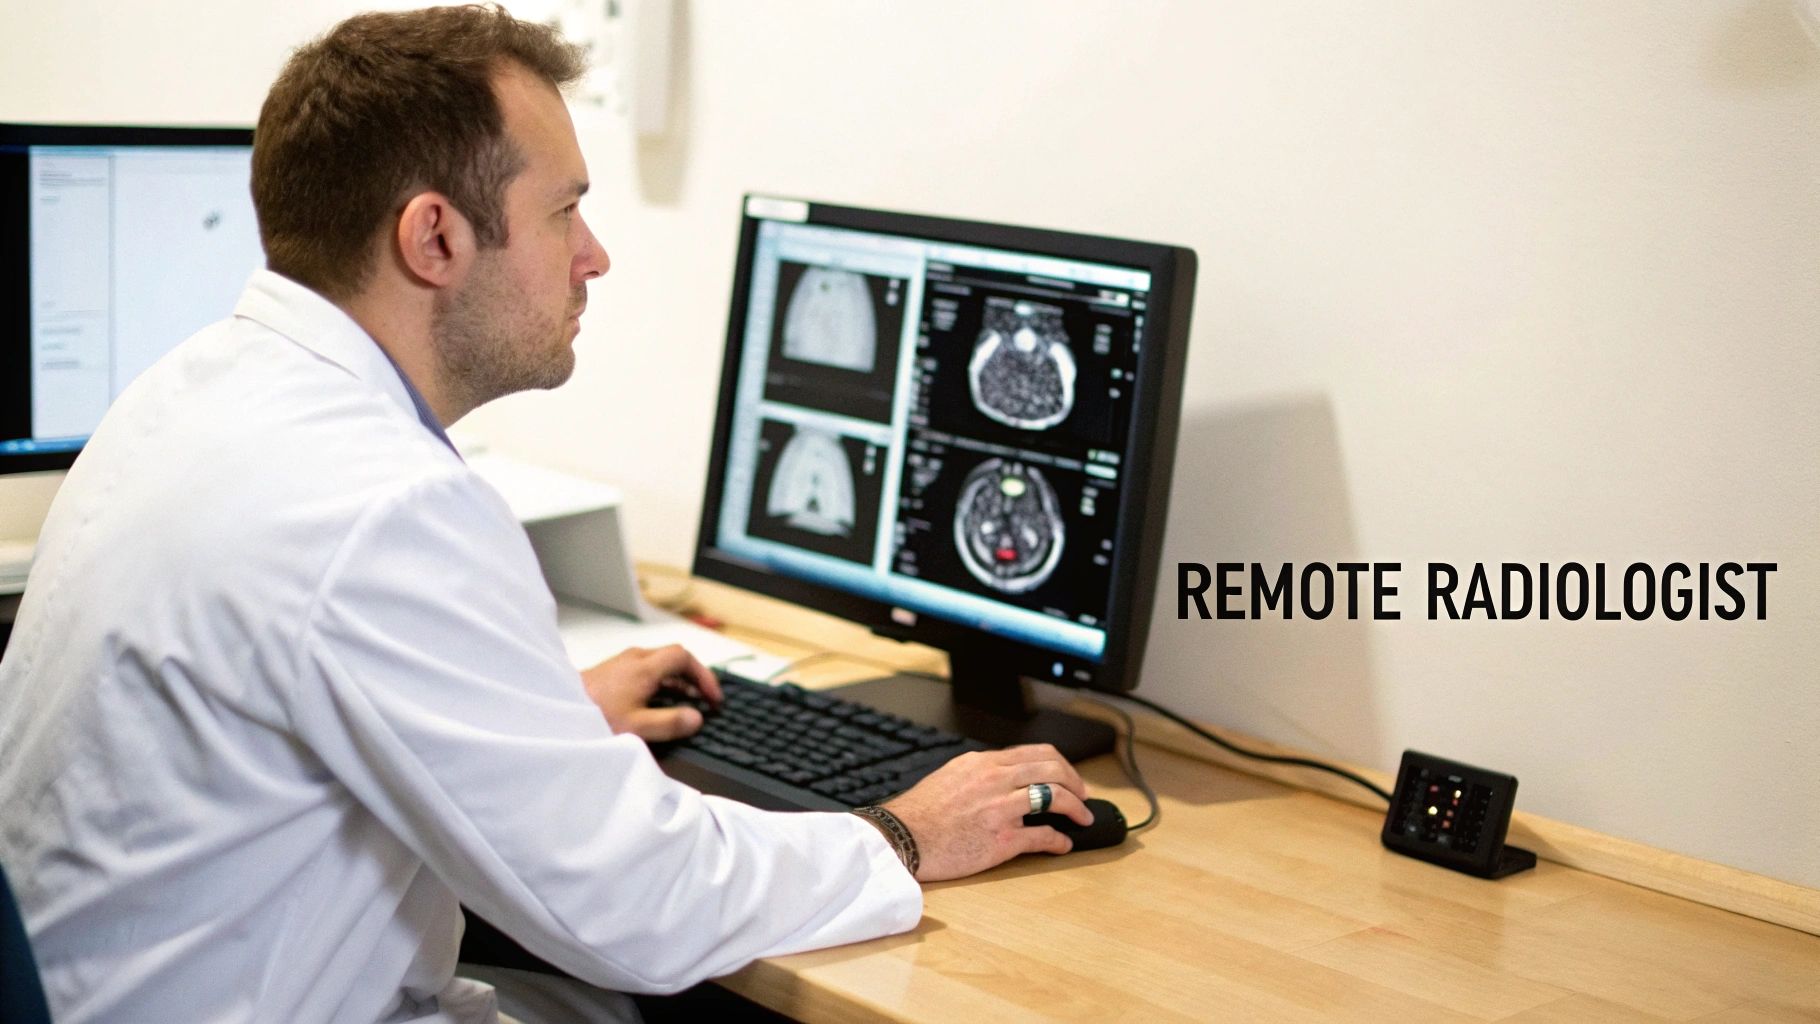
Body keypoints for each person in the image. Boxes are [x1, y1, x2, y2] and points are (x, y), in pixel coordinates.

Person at [0, 6, 1096, 1023]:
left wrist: (544, 723)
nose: (593, 255)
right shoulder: (381, 505)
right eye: (564, 210)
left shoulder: (192, 393)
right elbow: (641, 905)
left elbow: (290, 702)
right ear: (434, 238)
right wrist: (904, 831)